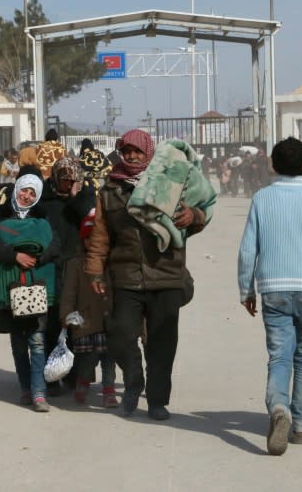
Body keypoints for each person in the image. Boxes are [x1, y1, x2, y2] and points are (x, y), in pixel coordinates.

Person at [85, 130, 213, 420]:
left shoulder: (169, 183)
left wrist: (194, 215)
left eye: (137, 151)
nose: (131, 156)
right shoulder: (109, 191)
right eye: (126, 151)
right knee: (119, 336)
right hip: (125, 275)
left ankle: (157, 400)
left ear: (149, 153)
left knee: (162, 344)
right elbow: (101, 235)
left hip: (166, 274)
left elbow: (199, 213)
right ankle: (133, 382)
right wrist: (94, 272)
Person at [237, 137, 302, 456]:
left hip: (273, 289)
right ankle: (301, 427)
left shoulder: (261, 199)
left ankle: (278, 408)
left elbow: (247, 251)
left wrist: (246, 290)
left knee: (279, 356)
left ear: (273, 164)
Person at [0, 175, 60, 412]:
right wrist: (15, 256)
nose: (26, 196)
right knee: (18, 342)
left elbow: (54, 245)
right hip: (11, 289)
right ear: (16, 189)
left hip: (36, 286)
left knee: (37, 340)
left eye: (32, 194)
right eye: (23, 191)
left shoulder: (42, 217)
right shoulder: (1, 215)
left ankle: (39, 392)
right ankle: (25, 387)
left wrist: (37, 258)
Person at [37, 157, 96, 395]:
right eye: (64, 180)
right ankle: (52, 378)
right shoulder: (45, 200)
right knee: (51, 324)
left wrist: (75, 195)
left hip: (76, 270)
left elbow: (89, 217)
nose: (68, 184)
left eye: (73, 180)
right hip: (51, 268)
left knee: (76, 325)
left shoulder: (84, 198)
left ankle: (74, 375)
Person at [60, 209, 118, 408]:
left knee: (109, 359)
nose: (94, 243)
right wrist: (66, 317)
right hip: (83, 322)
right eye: (89, 239)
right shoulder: (76, 264)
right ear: (83, 240)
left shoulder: (112, 263)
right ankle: (82, 385)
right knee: (86, 360)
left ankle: (109, 391)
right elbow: (68, 294)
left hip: (108, 321)